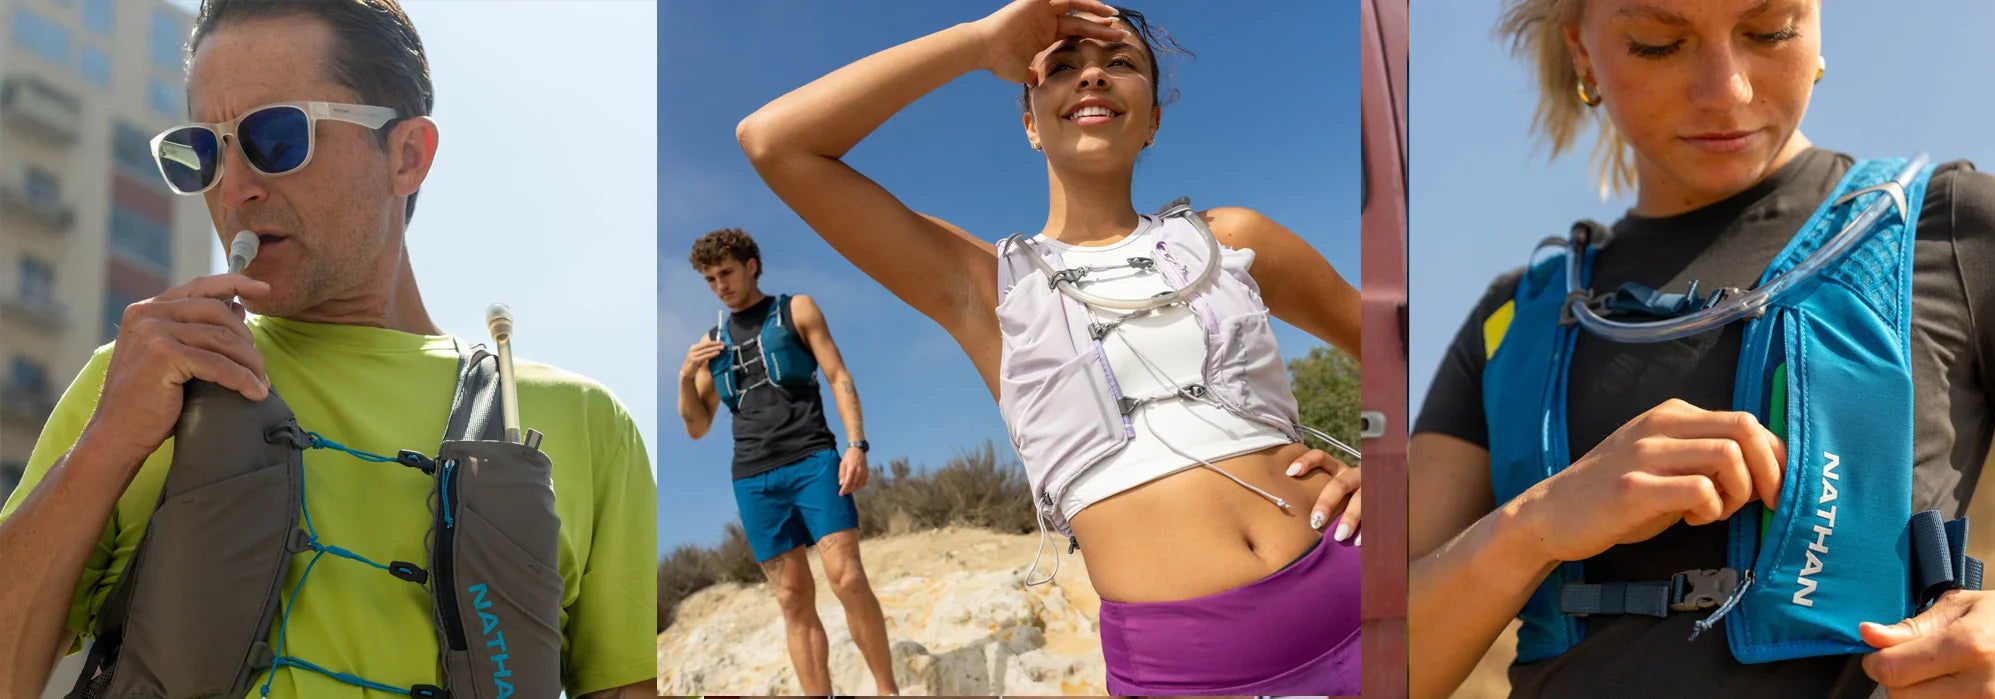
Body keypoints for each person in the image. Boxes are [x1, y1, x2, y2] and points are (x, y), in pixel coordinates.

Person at [1407, 1, 1995, 696]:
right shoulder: (1513, 320)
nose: (1725, 90)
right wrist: (1533, 524)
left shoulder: (1953, 228)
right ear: (1584, 52)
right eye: (1659, 44)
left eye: (1769, 30)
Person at [0, 1, 655, 696]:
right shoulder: (135, 380)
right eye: (204, 150)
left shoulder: (586, 424)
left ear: (407, 157)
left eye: (276, 138)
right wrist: (106, 442)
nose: (235, 188)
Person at [734, 1, 1366, 694]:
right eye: (1062, 68)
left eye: (1120, 63)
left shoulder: (1230, 237)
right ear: (1031, 122)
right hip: (1185, 664)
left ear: (1153, 117)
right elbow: (775, 142)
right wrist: (979, 43)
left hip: (1360, 589)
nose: (1092, 78)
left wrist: (1392, 461)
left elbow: (1394, 343)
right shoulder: (987, 288)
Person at [677, 229, 897, 696]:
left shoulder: (796, 309)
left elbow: (838, 375)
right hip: (754, 478)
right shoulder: (712, 342)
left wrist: (856, 444)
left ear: (751, 265)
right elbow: (697, 427)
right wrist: (684, 376)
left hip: (812, 460)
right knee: (792, 600)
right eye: (710, 279)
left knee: (848, 579)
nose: (720, 285)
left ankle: (886, 689)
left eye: (726, 273)